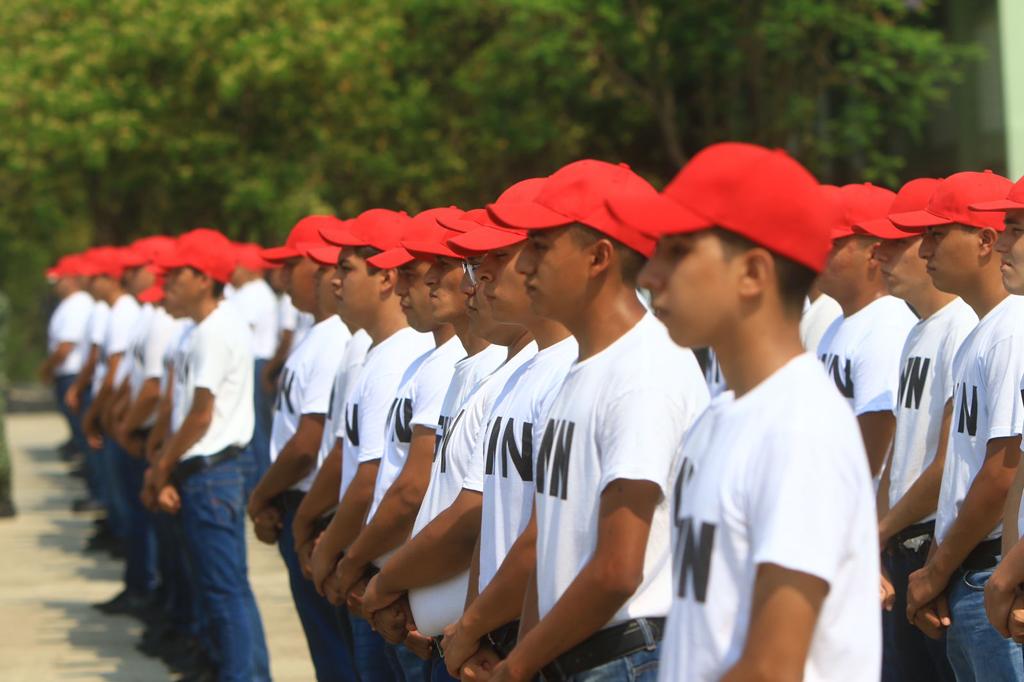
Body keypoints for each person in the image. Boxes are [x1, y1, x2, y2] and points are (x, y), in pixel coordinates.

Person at [613, 141, 882, 681]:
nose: (647, 276)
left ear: (753, 274)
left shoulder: (799, 426)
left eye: (678, 251)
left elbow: (772, 669)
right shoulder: (722, 417)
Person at [477, 159, 709, 681]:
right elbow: (550, 548)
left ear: (599, 256)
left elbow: (617, 571)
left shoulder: (644, 369)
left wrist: (520, 663)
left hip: (628, 658)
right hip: (580, 656)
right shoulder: (582, 368)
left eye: (540, 247)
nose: (523, 266)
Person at [359, 209, 534, 681]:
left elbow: (468, 519)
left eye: (448, 267)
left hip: (483, 639)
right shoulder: (469, 370)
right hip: (446, 630)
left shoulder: (520, 372)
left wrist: (384, 580)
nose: (432, 283)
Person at [434, 182, 579, 677]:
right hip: (496, 633)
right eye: (477, 264)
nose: (479, 280)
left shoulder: (571, 369)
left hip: (540, 638)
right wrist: (468, 628)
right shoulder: (521, 371)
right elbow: (494, 521)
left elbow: (543, 536)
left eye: (500, 256)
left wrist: (472, 628)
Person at [889, 170, 1024, 680]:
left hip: (991, 571)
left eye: (937, 234)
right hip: (975, 572)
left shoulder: (1012, 328)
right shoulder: (982, 331)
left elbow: (1003, 472)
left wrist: (937, 570)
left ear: (984, 241)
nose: (924, 250)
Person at [329, 208, 471, 679]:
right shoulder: (426, 362)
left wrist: (353, 564)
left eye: (418, 273)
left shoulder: (447, 364)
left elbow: (411, 491)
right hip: (399, 585)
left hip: (415, 590)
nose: (411, 287)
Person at [311, 207, 433, 682]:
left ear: (384, 279)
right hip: (377, 571)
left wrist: (344, 558)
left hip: (390, 578)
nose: (335, 281)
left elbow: (381, 483)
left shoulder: (405, 354)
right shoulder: (383, 355)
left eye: (346, 268)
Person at [142, 228, 270, 682]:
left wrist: (161, 467)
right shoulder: (206, 328)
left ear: (203, 278)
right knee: (225, 588)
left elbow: (199, 416)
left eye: (176, 274)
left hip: (213, 472)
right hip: (207, 470)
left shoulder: (214, 331)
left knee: (223, 591)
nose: (167, 283)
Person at [863, 178, 973, 682]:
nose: (883, 253)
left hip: (937, 545)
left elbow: (950, 460)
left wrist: (876, 533)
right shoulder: (916, 330)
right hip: (903, 546)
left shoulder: (962, 325)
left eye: (899, 241)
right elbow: (901, 454)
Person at [248, 215, 358, 682]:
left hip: (320, 508)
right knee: (327, 646)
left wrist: (260, 496)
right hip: (303, 501)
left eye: (290, 264)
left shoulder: (336, 339)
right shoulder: (317, 335)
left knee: (338, 653)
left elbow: (308, 443)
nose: (281, 276)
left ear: (317, 267)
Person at [816, 183, 917, 478]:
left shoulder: (886, 326)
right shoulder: (840, 323)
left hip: (859, 509)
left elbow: (874, 446)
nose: (817, 252)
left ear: (873, 254)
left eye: (832, 244)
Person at [228, 243, 280, 494]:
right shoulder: (248, 291)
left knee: (257, 429)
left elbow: (240, 330)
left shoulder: (254, 292)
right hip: (253, 362)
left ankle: (261, 485)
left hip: (257, 362)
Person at [40, 254, 94, 460]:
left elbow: (65, 346)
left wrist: (47, 368)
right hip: (68, 375)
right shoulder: (70, 303)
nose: (55, 286)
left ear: (71, 278)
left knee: (83, 435)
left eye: (59, 279)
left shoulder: (78, 304)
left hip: (73, 375)